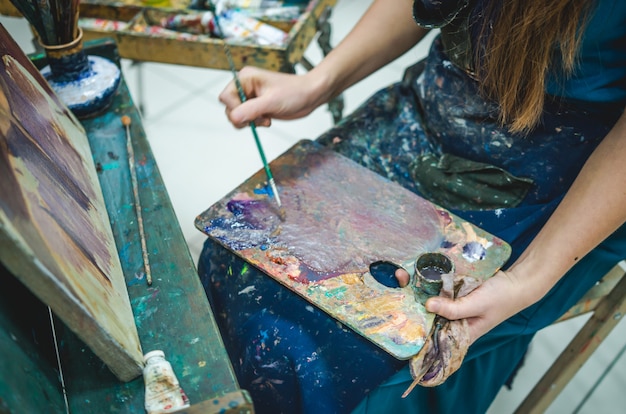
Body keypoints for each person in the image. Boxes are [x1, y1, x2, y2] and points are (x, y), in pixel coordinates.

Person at [198, 0, 626, 412]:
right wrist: (318, 83)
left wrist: (526, 280)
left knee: (357, 345)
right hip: (434, 106)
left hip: (571, 174)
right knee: (237, 256)